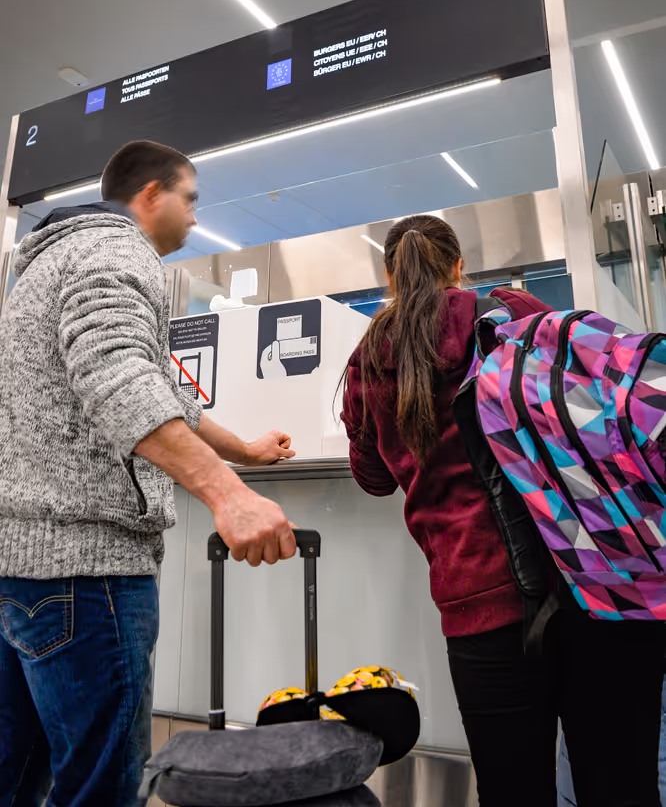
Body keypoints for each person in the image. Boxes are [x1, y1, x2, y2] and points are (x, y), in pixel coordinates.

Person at [0, 140, 297, 807]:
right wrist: (229, 494)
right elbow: (117, 377)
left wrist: (244, 451)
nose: (196, 215)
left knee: (17, 778)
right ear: (150, 194)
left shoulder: (49, 264)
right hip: (88, 569)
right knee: (99, 789)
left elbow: (161, 388)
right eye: (190, 198)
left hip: (21, 568)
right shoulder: (117, 250)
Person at [341, 213, 666, 807]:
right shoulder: (511, 312)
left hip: (478, 606)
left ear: (389, 274)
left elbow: (372, 480)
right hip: (593, 578)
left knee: (512, 791)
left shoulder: (369, 356)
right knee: (621, 785)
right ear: (459, 266)